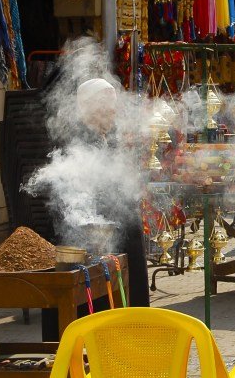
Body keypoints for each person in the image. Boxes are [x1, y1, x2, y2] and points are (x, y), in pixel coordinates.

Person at [76, 78, 151, 307]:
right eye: (105, 107)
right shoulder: (79, 138)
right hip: (94, 220)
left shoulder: (107, 135)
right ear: (88, 108)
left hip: (117, 213)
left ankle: (134, 312)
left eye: (113, 106)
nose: (112, 112)